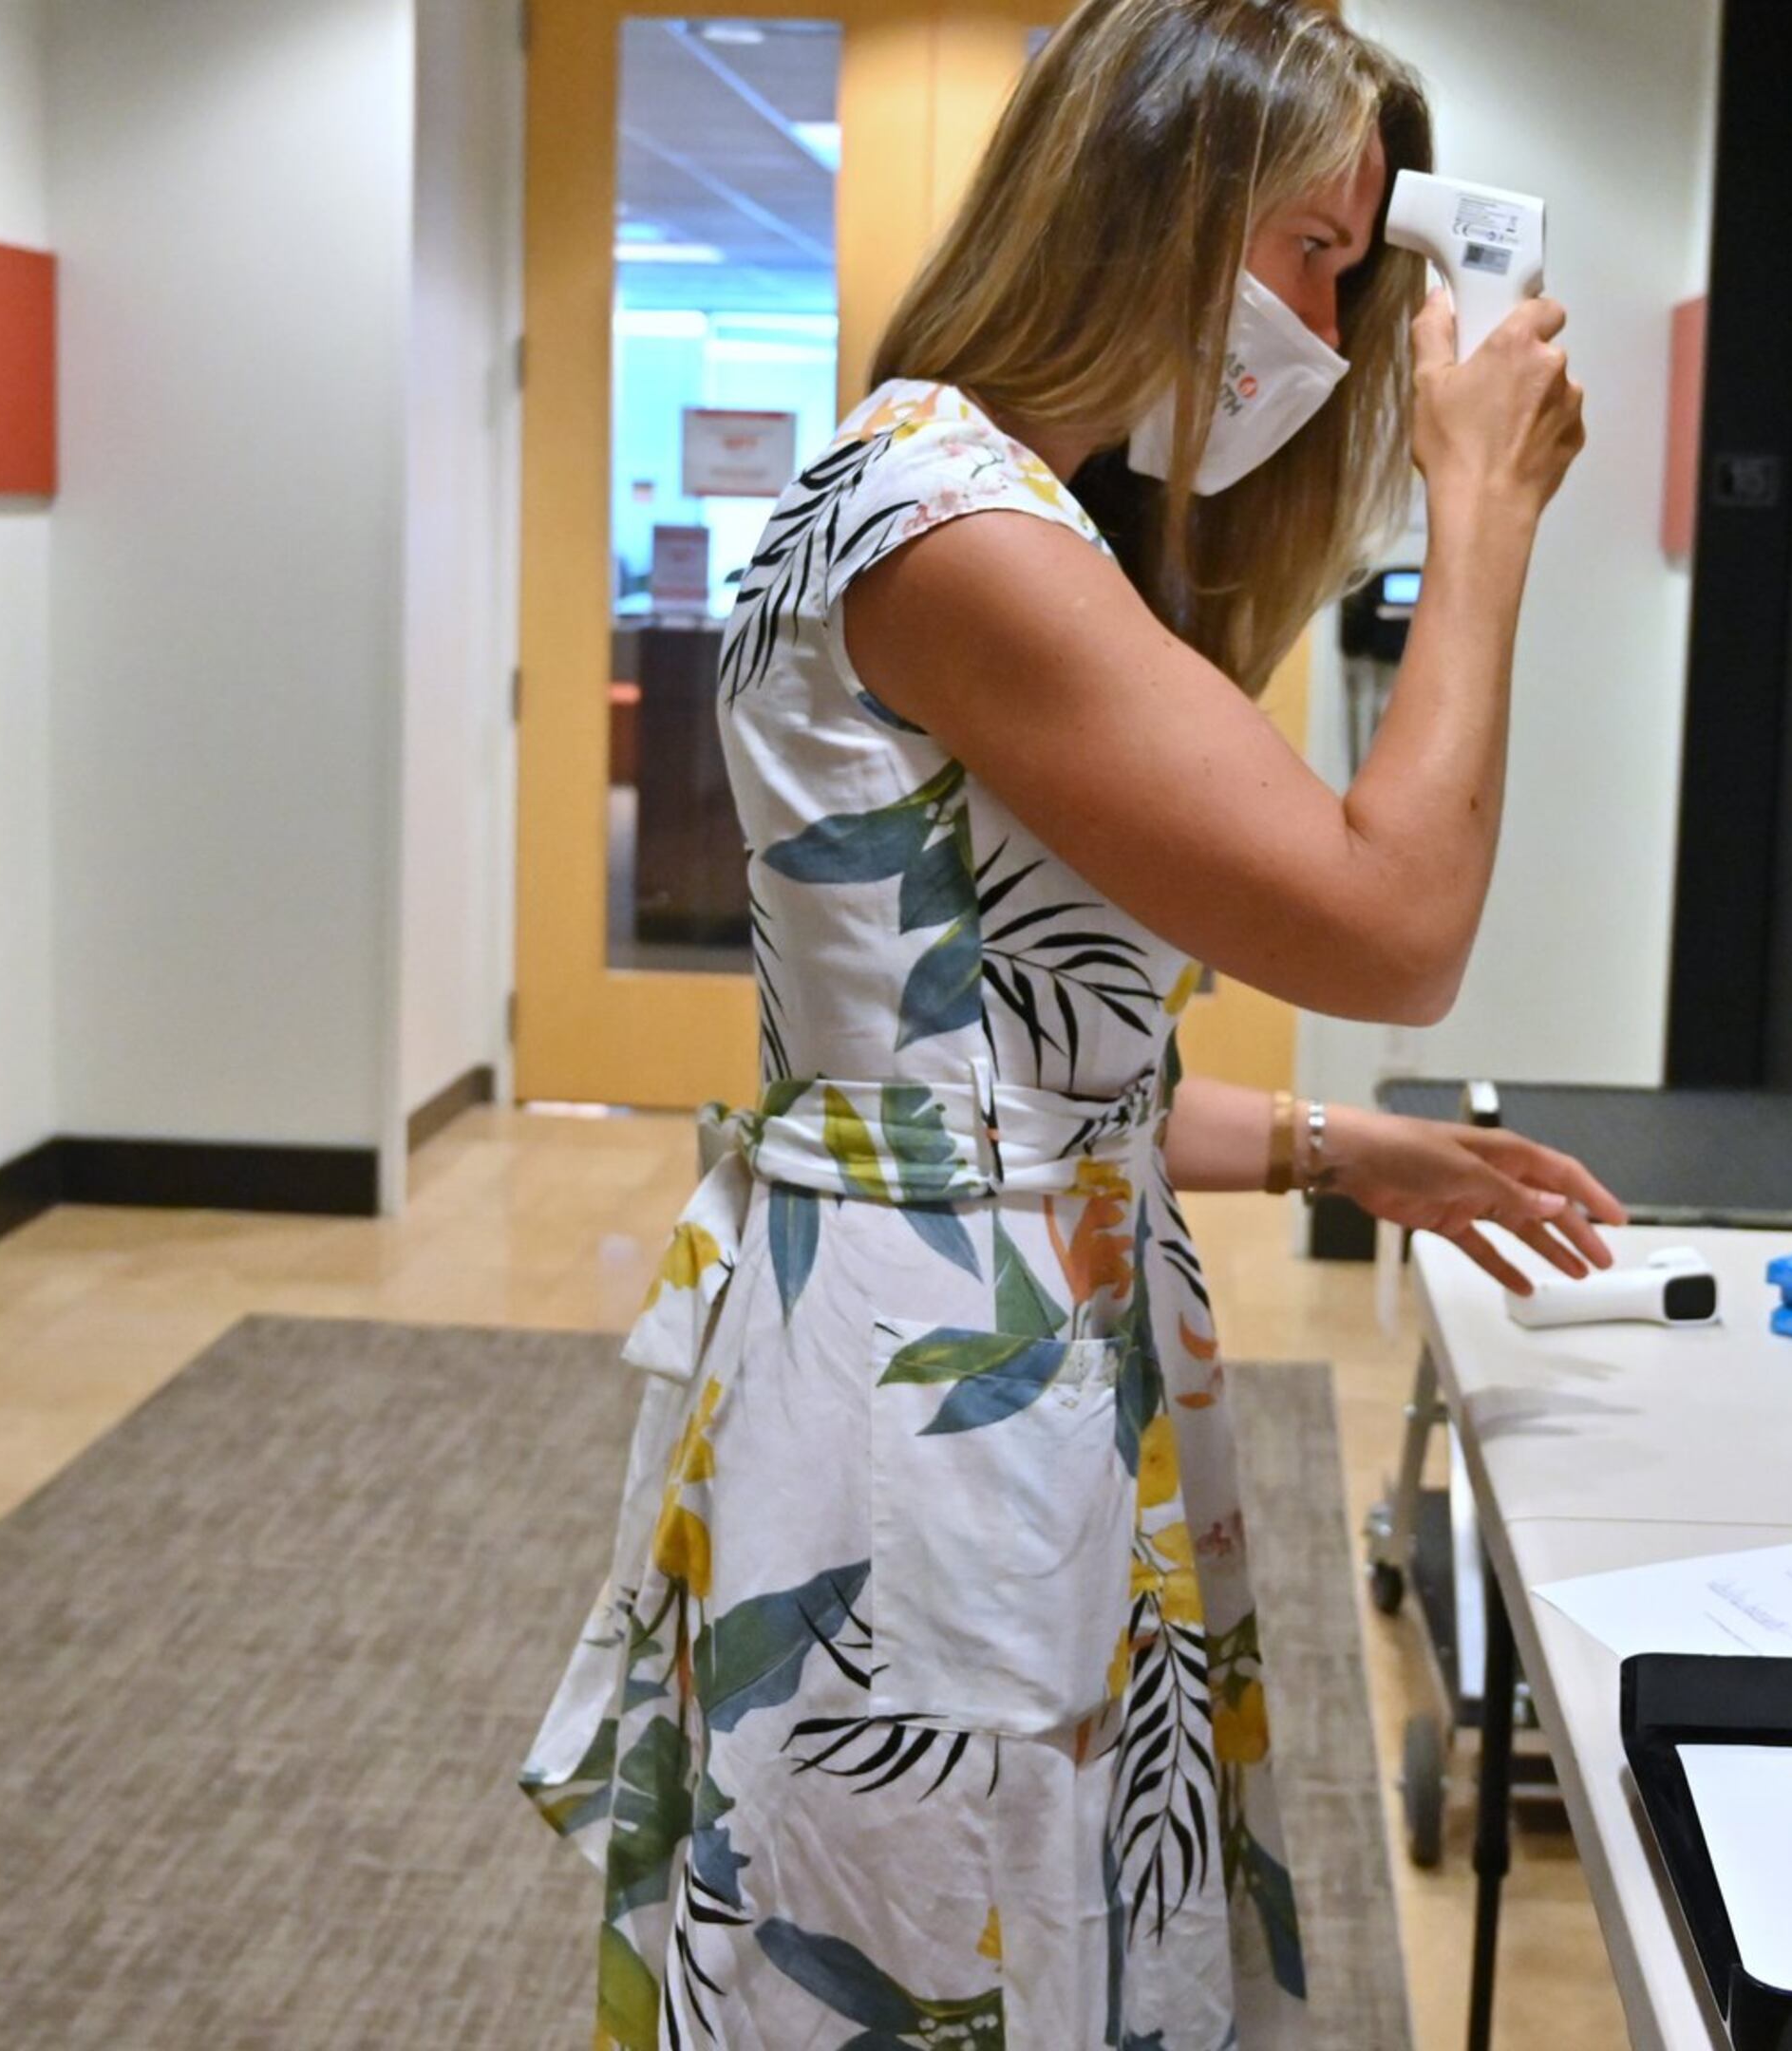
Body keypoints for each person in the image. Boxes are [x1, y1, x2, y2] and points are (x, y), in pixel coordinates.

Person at [520, 1, 1614, 2042]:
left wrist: (1335, 1145)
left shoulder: (985, 497)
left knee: (1038, 1911)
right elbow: (1395, 933)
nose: (1331, 325)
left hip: (983, 1319)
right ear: (1153, 202)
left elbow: (988, 1079)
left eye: (1356, 270)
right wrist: (1480, 518)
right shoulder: (959, 531)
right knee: (950, 1926)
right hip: (944, 1398)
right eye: (1309, 252)